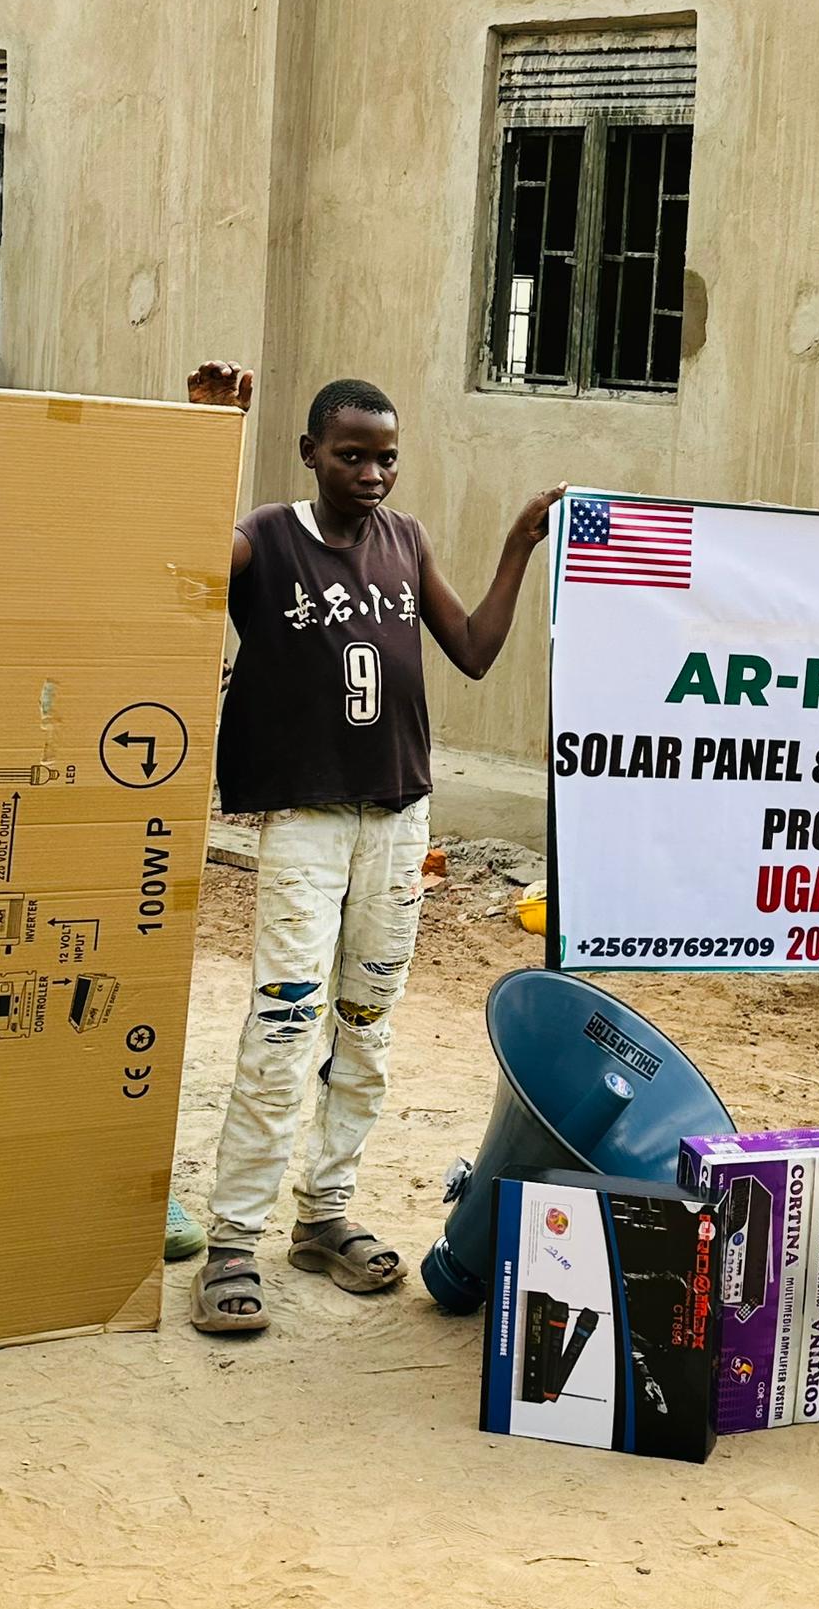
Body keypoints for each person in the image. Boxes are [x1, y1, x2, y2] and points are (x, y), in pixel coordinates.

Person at [183, 360, 559, 1334]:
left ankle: (324, 1214)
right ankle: (232, 1238)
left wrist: (521, 543)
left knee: (366, 1022)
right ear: (310, 454)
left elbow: (473, 647)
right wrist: (208, 428)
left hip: (398, 821)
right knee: (283, 1020)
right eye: (352, 455)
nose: (373, 474)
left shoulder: (404, 540)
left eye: (386, 458)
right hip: (308, 820)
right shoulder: (264, 540)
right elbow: (177, 561)